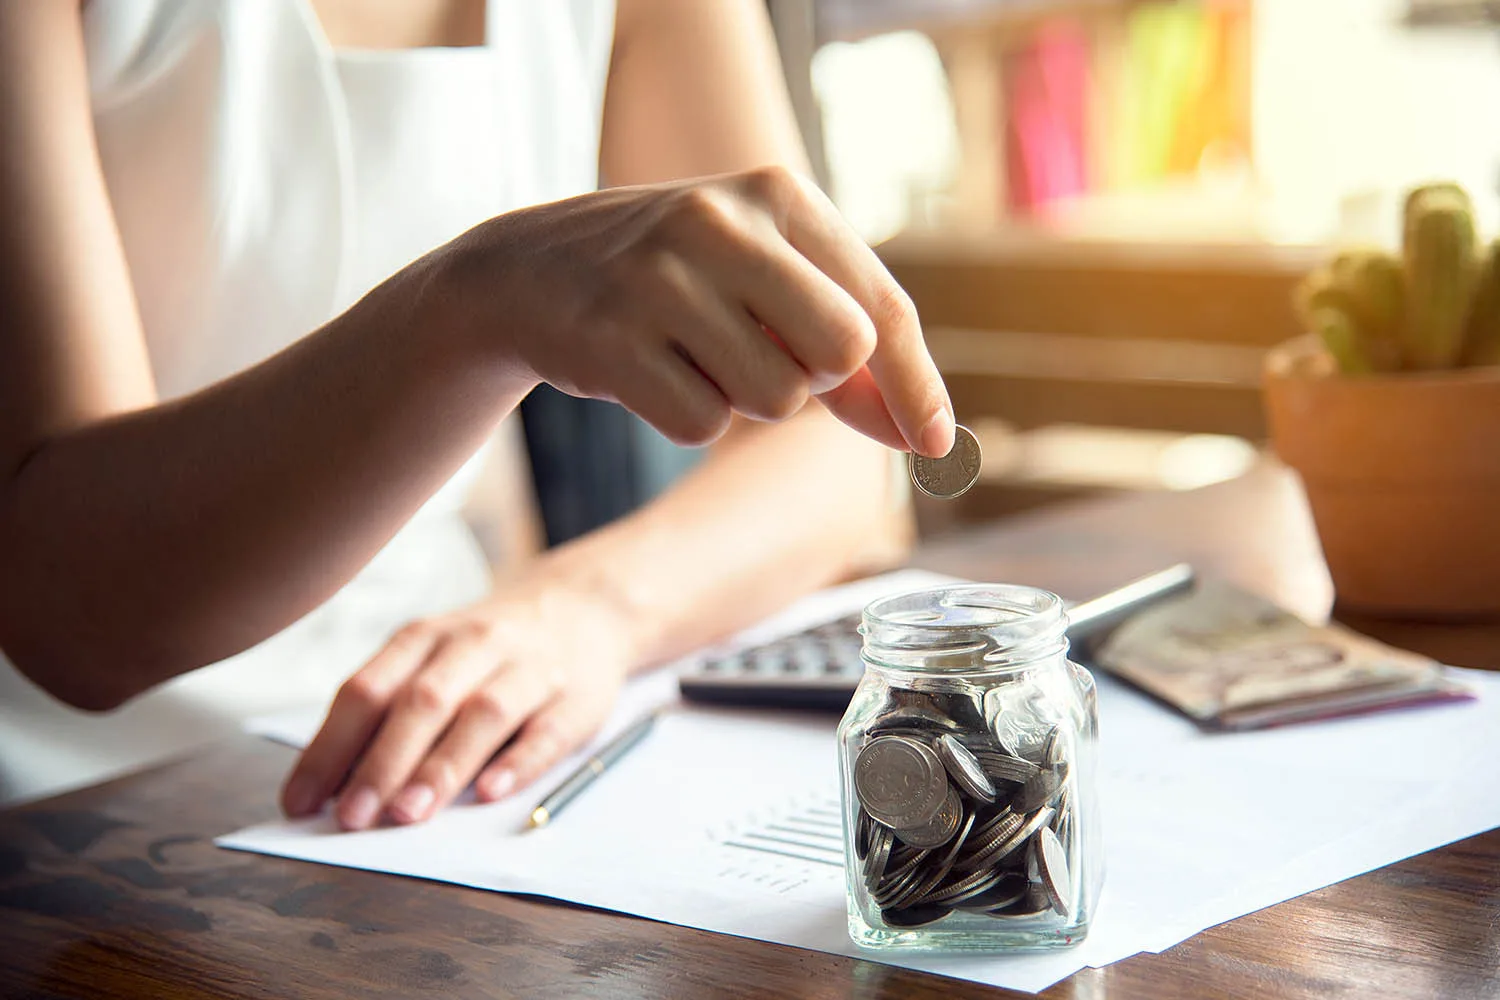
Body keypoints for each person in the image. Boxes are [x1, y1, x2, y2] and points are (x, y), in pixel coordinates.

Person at [0, 0, 954, 828]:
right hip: (63, 805)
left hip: (419, 760)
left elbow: (847, 441)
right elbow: (67, 616)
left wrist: (582, 611)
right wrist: (473, 307)